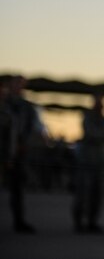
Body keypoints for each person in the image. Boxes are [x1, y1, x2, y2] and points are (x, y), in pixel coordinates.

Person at [4, 75, 41, 234]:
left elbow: (33, 127)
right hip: (3, 150)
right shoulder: (4, 104)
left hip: (19, 152)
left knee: (18, 189)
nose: (18, 87)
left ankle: (19, 221)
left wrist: (24, 144)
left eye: (21, 84)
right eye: (15, 84)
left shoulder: (27, 107)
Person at [72, 93, 104, 233]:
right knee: (84, 193)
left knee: (98, 194)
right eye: (98, 102)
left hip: (100, 162)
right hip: (87, 162)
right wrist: (101, 136)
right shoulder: (87, 118)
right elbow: (91, 134)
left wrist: (100, 136)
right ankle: (79, 222)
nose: (100, 105)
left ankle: (92, 222)